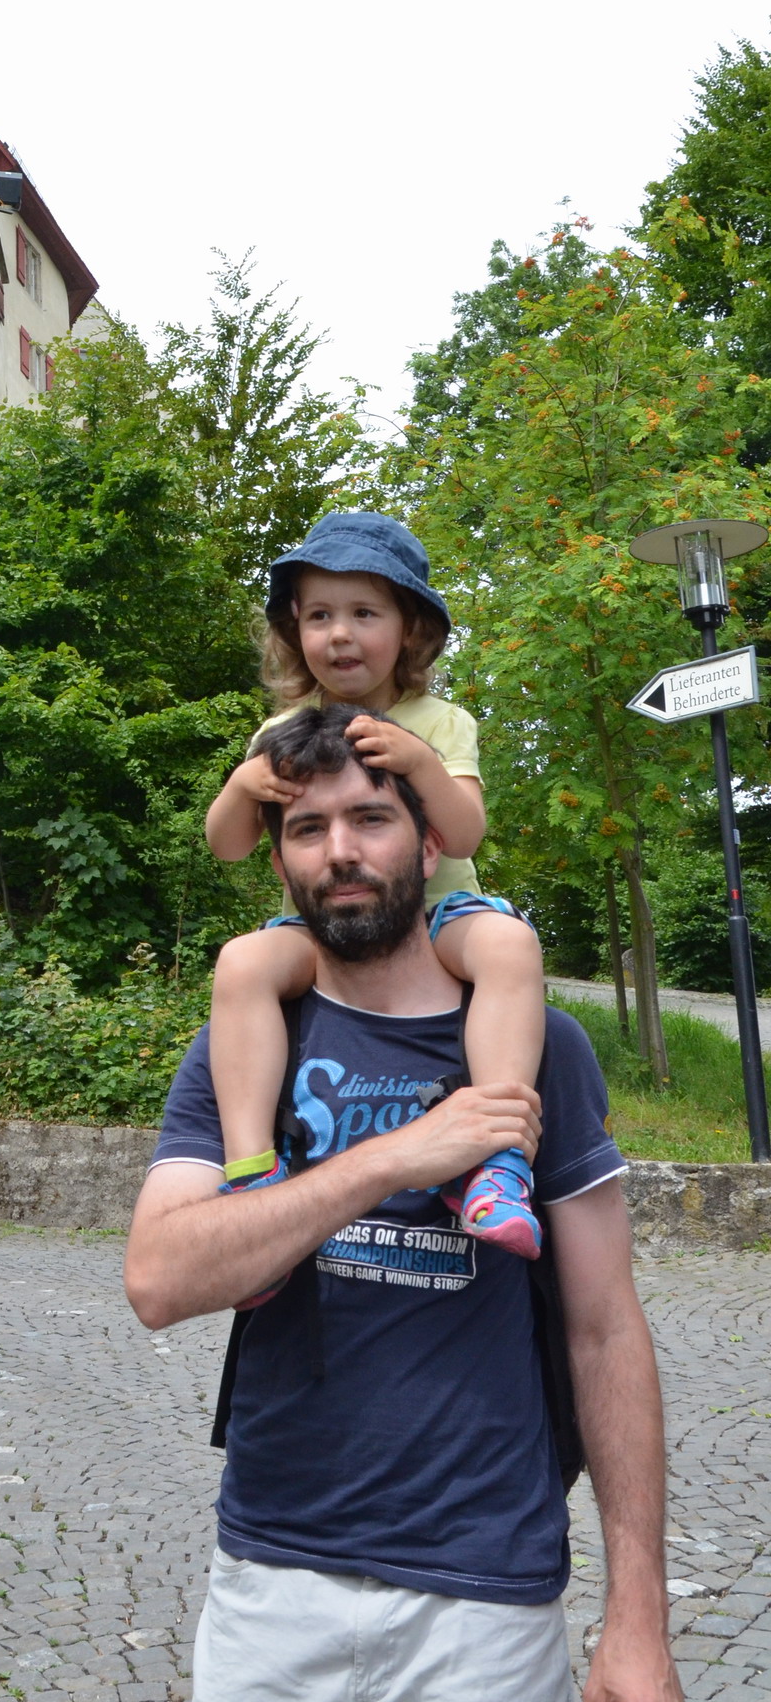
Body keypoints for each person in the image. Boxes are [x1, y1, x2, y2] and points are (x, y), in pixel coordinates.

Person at [126, 702, 684, 1702]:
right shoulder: (247, 1042)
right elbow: (161, 1279)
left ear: (430, 845)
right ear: (280, 861)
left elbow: (604, 1325)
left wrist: (639, 1615)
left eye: (371, 819)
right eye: (308, 828)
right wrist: (398, 1156)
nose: (340, 850)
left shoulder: (541, 1045)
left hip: (483, 1600)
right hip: (271, 1583)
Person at [204, 512, 545, 1270]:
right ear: (295, 628)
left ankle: (497, 1161)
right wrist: (241, 787)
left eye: (365, 613)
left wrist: (419, 762)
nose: (341, 635)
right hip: (323, 929)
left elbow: (464, 835)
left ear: (409, 628)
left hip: (438, 918)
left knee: (509, 945)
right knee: (241, 963)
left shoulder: (438, 722)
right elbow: (228, 846)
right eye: (320, 616)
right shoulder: (280, 731)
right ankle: (251, 1172)